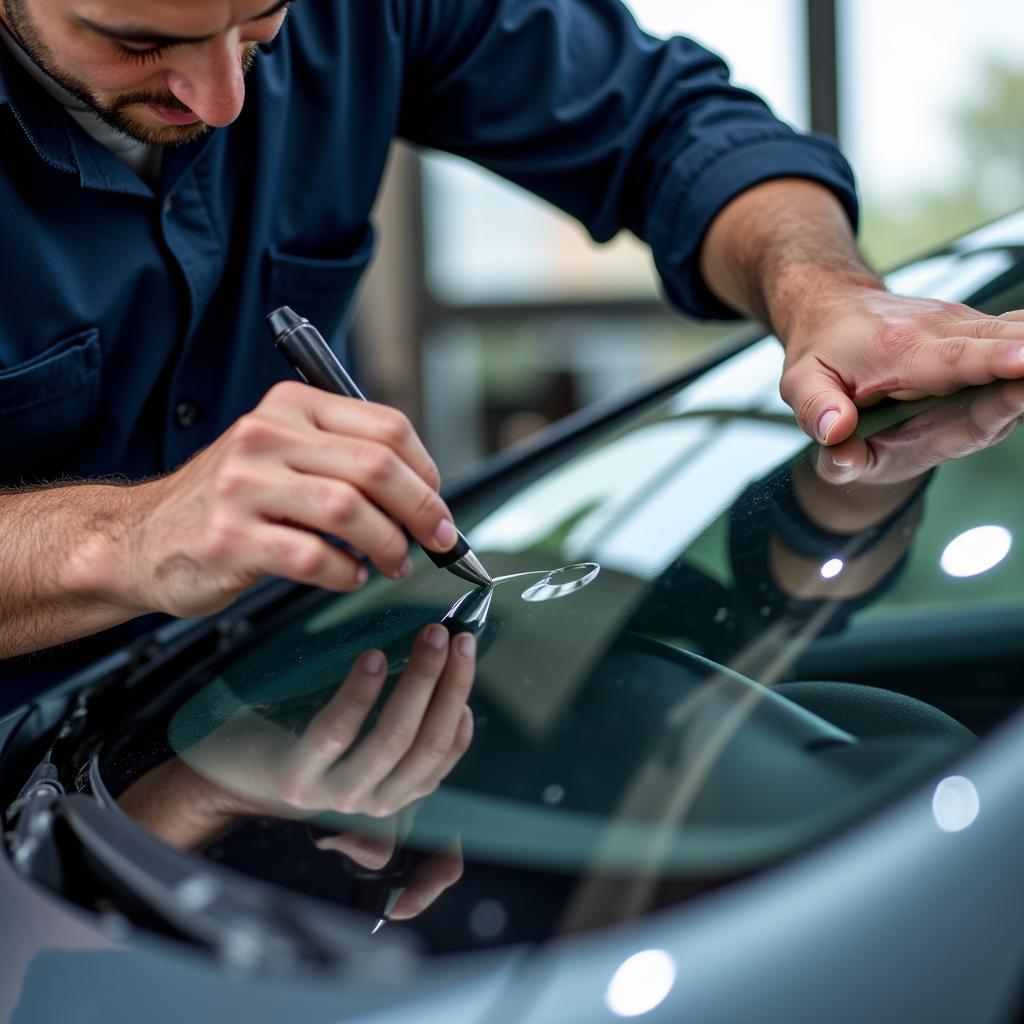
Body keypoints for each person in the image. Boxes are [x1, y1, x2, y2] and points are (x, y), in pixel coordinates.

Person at [2, 0, 1023, 707]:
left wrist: (823, 292)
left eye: (263, 24)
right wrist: (122, 541)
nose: (223, 97)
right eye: (135, 41)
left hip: (276, 721)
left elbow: (672, 126)